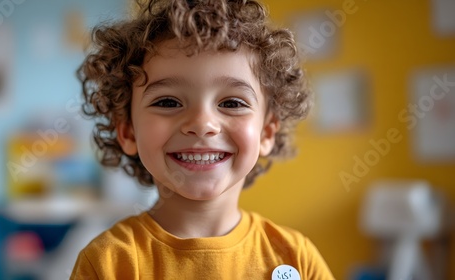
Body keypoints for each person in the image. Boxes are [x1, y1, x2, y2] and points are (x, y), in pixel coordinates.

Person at [70, 0, 334, 279]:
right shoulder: (107, 263)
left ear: (266, 132)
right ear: (128, 132)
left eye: (232, 103)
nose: (202, 124)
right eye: (169, 102)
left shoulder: (297, 258)